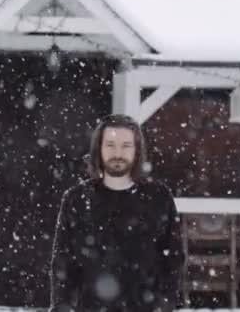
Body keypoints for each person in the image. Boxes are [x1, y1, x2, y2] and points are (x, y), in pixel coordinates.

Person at [49, 114, 183, 312]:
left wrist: (165, 304)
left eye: (126, 145)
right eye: (110, 145)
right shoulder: (76, 199)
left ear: (137, 150)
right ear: (99, 149)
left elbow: (173, 259)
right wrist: (62, 306)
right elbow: (63, 261)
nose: (118, 153)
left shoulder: (159, 198)